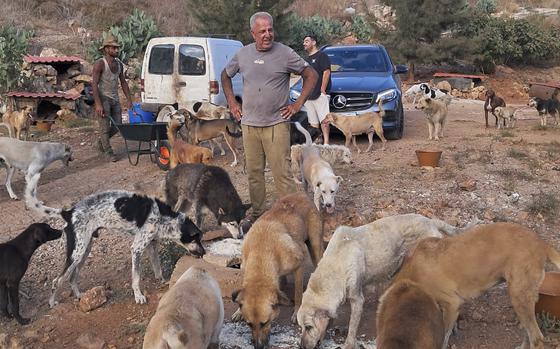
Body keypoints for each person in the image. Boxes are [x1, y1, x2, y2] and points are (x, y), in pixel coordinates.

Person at [221, 11, 318, 232]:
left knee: (281, 173)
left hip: (276, 123)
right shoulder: (242, 55)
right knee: (254, 173)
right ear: (252, 33)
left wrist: (297, 104)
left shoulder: (285, 53)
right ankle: (257, 214)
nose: (267, 34)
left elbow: (310, 74)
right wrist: (232, 103)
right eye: (262, 31)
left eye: (270, 29)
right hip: (249, 124)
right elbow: (225, 76)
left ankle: (293, 217)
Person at [91, 34, 133, 162]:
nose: (116, 50)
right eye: (113, 48)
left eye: (117, 48)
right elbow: (94, 84)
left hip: (114, 98)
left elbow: (123, 82)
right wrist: (98, 104)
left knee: (118, 125)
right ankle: (108, 152)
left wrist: (129, 100)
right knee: (104, 127)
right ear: (106, 49)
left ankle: (100, 142)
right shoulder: (100, 64)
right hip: (103, 98)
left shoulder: (118, 64)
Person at [303, 34, 331, 144]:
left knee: (324, 121)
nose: (304, 43)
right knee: (313, 122)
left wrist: (323, 89)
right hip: (309, 96)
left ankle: (326, 143)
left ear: (314, 43)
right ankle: (316, 141)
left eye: (306, 41)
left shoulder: (322, 56)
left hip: (319, 94)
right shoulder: (306, 60)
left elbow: (326, 72)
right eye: (304, 42)